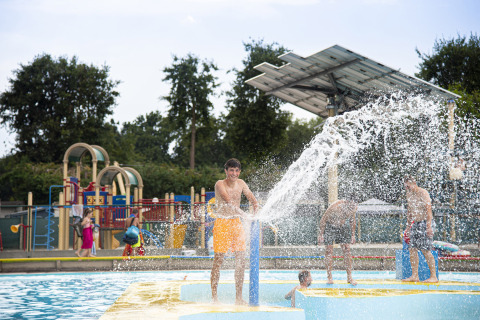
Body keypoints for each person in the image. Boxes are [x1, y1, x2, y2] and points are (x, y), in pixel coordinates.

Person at [210, 158, 259, 305]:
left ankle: (238, 297)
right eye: (231, 170)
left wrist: (256, 212)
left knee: (241, 261)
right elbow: (228, 202)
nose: (234, 173)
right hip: (222, 222)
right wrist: (245, 215)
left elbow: (252, 199)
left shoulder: (242, 183)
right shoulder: (220, 184)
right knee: (218, 260)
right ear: (226, 171)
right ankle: (214, 298)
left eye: (237, 170)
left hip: (236, 224)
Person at [402, 176, 438, 283]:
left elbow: (428, 209)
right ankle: (415, 275)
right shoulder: (409, 194)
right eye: (406, 187)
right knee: (412, 249)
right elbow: (410, 211)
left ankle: (433, 276)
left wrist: (428, 226)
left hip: (425, 222)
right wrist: (408, 227)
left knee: (425, 249)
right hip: (415, 223)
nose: (407, 188)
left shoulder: (423, 193)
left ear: (414, 183)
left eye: (408, 186)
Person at [318, 199, 357, 285]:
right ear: (345, 203)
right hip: (329, 226)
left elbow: (352, 221)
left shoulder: (353, 207)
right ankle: (329, 277)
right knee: (329, 250)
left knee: (347, 250)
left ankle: (349, 277)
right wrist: (321, 234)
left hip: (342, 227)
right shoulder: (334, 207)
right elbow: (323, 219)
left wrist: (353, 235)